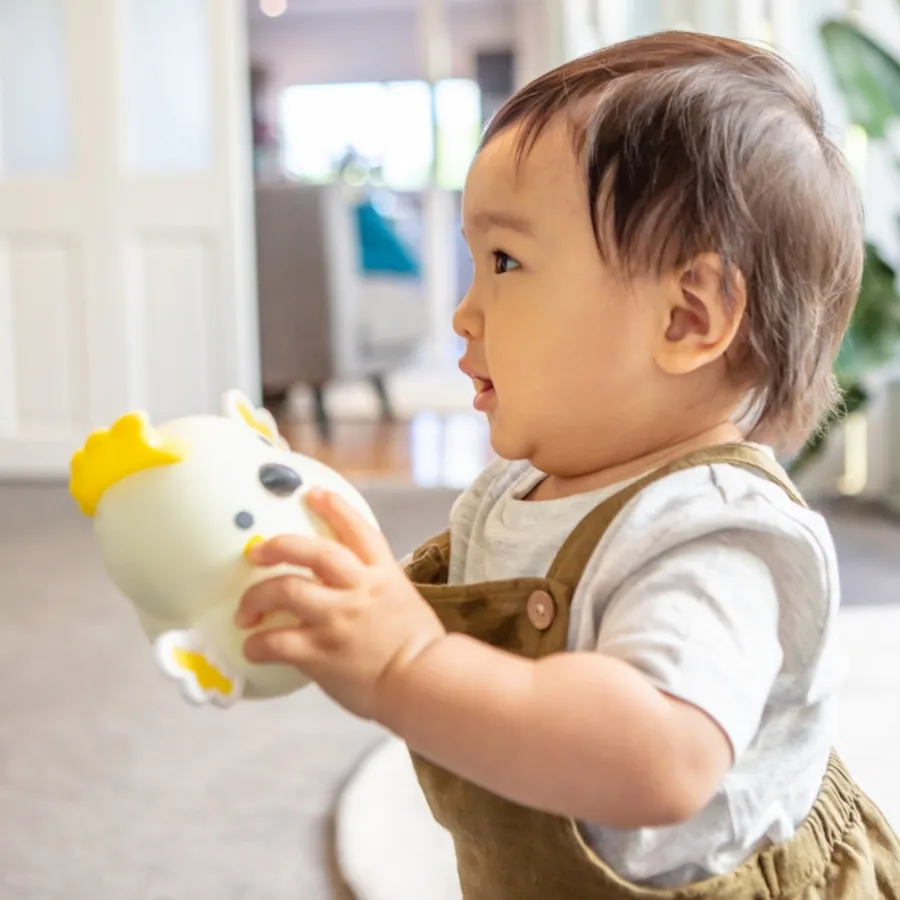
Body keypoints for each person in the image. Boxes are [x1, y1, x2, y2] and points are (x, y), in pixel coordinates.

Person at [235, 31, 900, 899]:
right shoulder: (516, 493)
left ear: (687, 317)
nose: (464, 313)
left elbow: (657, 760)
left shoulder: (714, 537)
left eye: (506, 262)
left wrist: (402, 666)